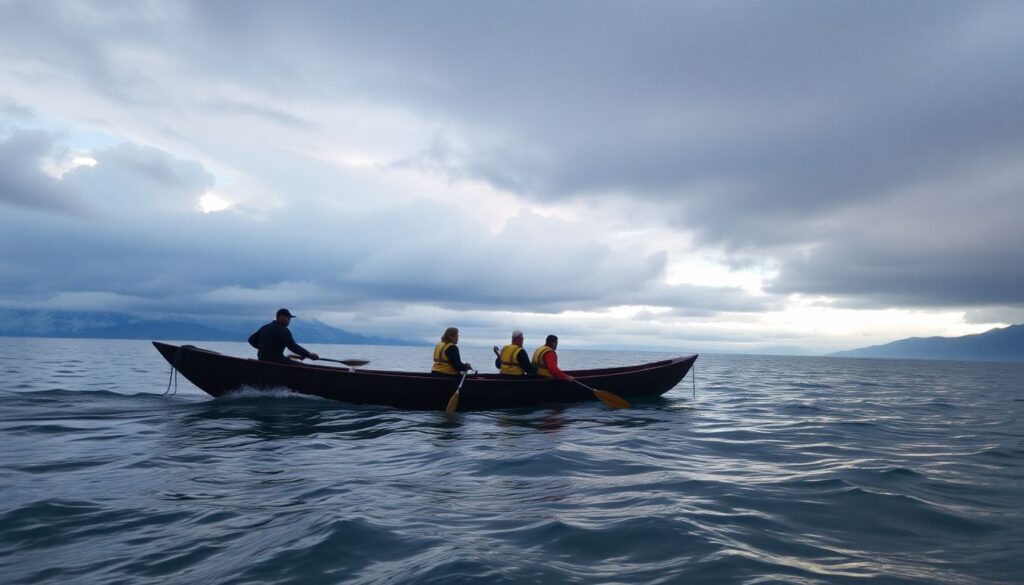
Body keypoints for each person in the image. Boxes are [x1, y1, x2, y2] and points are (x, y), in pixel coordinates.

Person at [248, 308, 319, 364]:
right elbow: (293, 347)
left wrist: (263, 349)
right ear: (281, 317)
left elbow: (251, 340)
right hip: (277, 362)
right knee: (303, 366)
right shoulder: (283, 330)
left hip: (262, 361)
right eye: (288, 318)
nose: (289, 320)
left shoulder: (265, 327)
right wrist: (309, 355)